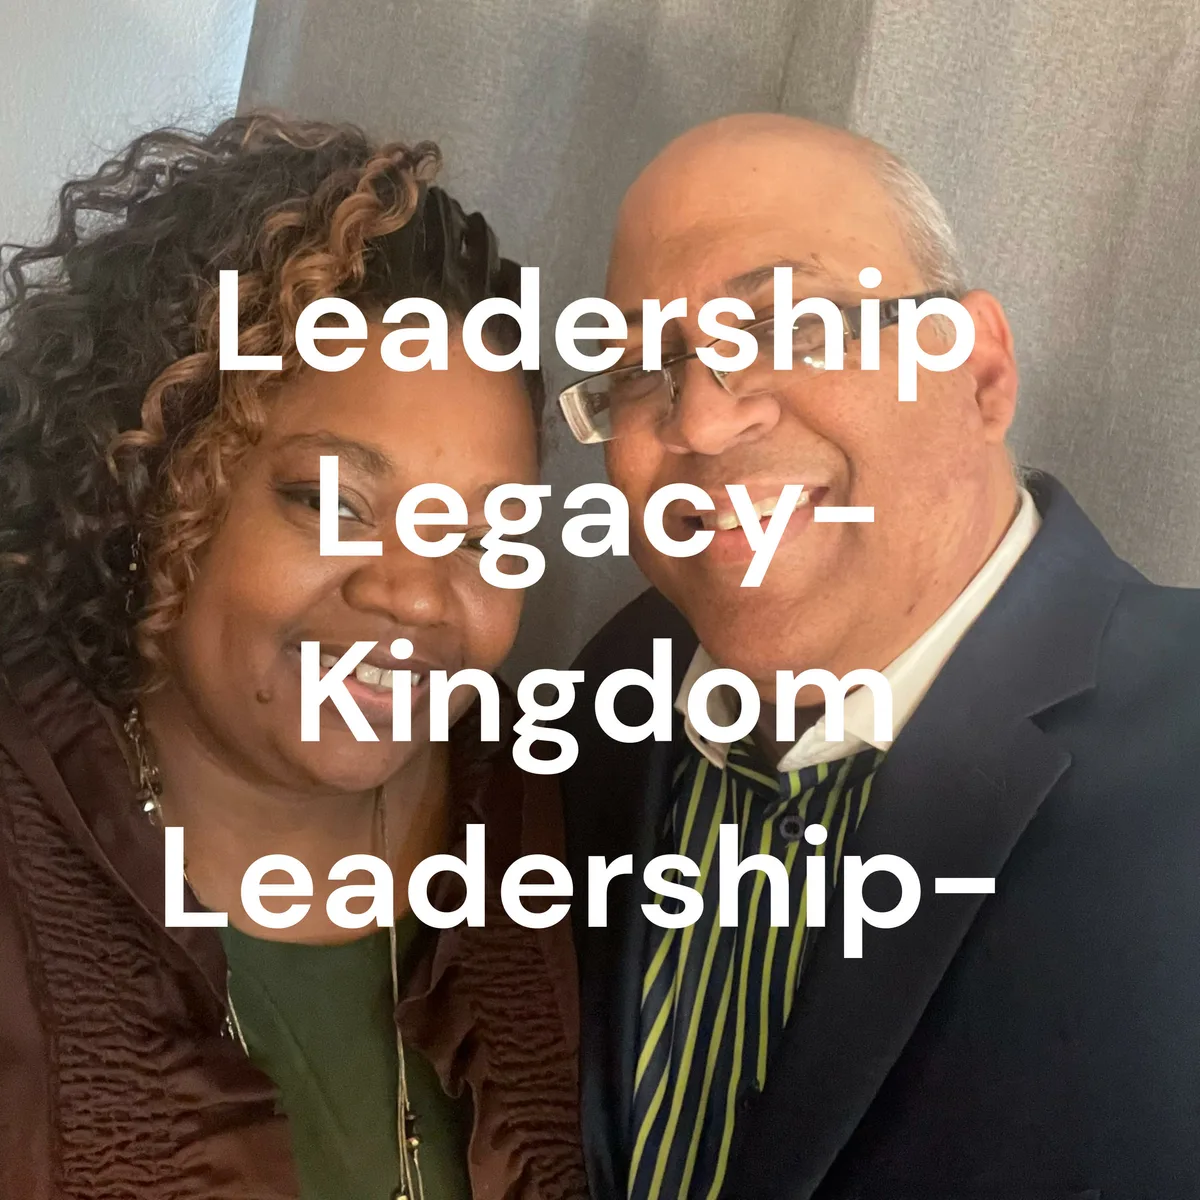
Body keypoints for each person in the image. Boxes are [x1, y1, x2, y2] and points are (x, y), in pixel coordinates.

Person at [557, 113, 1200, 1200]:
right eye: (637, 367)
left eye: (789, 325)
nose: (700, 421)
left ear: (980, 374)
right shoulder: (603, 701)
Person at [0, 114, 586, 1200]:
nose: (417, 593)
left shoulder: (547, 822)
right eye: (333, 501)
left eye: (486, 536)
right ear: (155, 485)